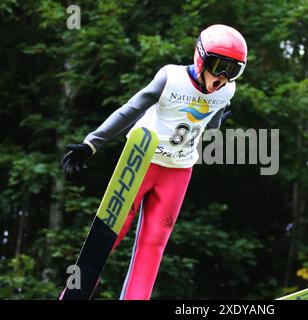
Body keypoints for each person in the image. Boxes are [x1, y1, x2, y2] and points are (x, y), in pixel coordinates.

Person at [61, 24, 248, 300]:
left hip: (179, 171)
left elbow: (206, 128)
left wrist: (217, 124)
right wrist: (92, 143)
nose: (223, 76)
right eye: (218, 66)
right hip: (143, 162)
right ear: (200, 58)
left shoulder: (225, 92)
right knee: (111, 232)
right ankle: (75, 292)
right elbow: (131, 109)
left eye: (232, 70)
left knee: (153, 244)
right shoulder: (171, 78)